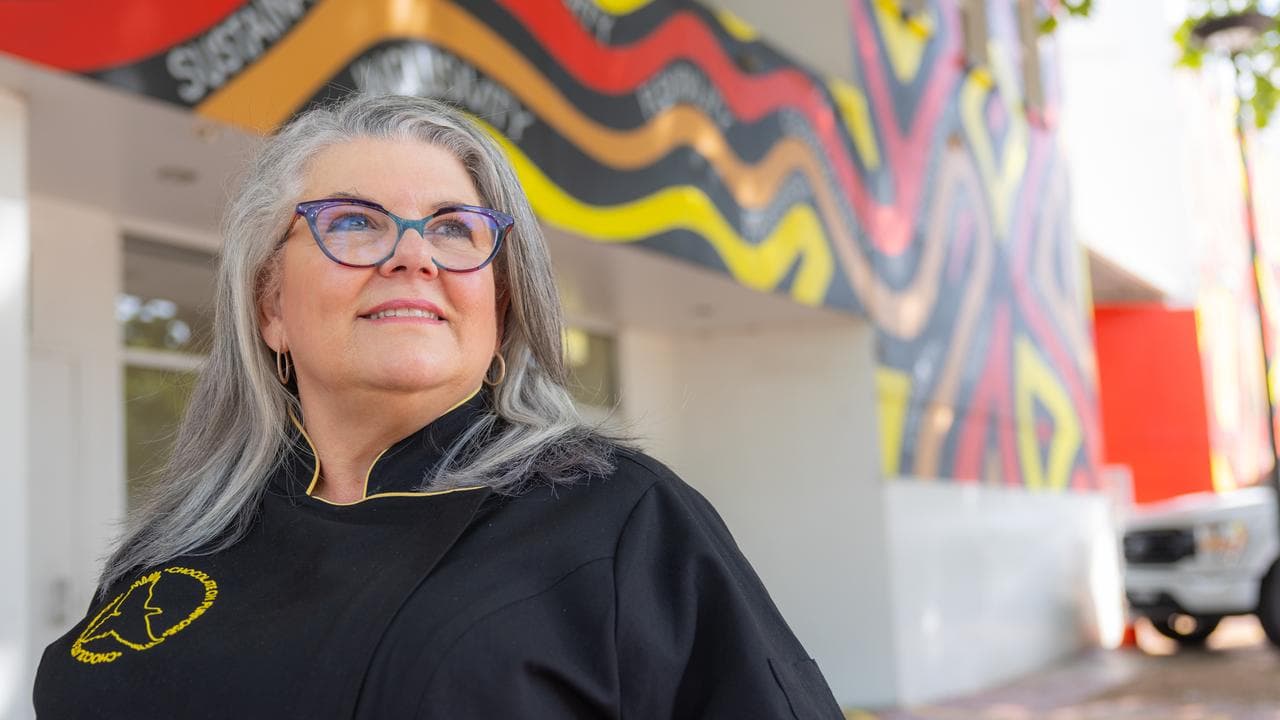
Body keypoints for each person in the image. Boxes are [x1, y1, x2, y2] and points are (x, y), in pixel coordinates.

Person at [33, 94, 843, 719]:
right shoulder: (176, 547)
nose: (412, 255)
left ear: (500, 307)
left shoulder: (622, 520)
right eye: (354, 222)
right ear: (269, 305)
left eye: (454, 229)